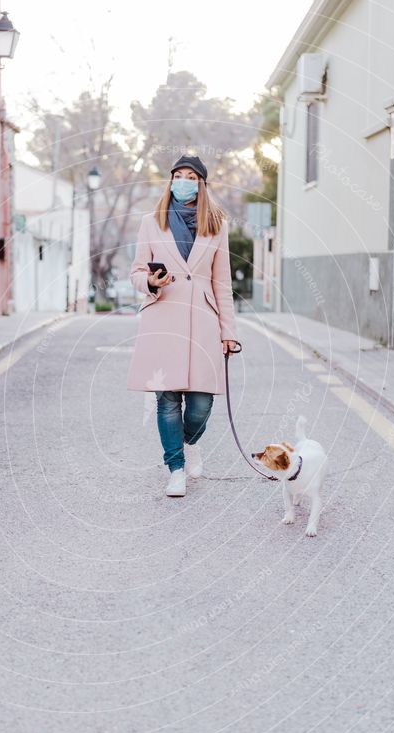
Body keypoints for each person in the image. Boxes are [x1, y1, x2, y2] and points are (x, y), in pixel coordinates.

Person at [126, 154, 240, 497]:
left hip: (204, 321)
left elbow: (222, 283)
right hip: (163, 317)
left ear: (201, 184)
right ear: (170, 181)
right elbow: (136, 272)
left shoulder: (217, 224)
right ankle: (175, 468)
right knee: (167, 399)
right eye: (178, 175)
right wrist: (152, 282)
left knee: (202, 404)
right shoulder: (151, 222)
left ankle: (191, 443)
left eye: (191, 176)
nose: (183, 181)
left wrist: (229, 331)